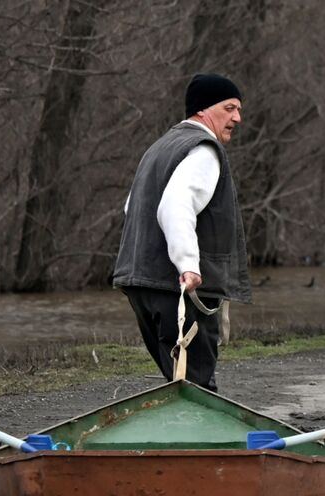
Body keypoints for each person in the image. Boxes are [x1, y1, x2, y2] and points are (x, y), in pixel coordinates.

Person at [112, 73, 252, 390]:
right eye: (229, 108)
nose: (237, 118)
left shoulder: (160, 148)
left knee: (179, 382)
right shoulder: (203, 151)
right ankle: (205, 440)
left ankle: (176, 438)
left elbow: (131, 209)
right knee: (198, 387)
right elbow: (174, 205)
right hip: (178, 287)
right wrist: (188, 264)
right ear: (204, 109)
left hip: (142, 286)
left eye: (238, 109)